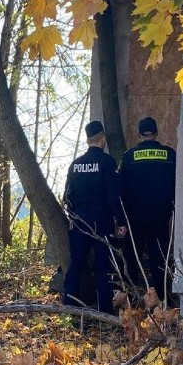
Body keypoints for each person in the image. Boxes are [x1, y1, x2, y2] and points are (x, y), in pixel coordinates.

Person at [63, 120, 123, 315]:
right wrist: (120, 221)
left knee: (77, 263)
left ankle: (69, 306)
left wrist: (72, 215)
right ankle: (104, 311)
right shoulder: (107, 162)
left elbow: (68, 195)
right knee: (102, 265)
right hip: (101, 220)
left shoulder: (75, 164)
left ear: (88, 139)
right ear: (103, 138)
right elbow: (113, 196)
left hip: (79, 220)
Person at [119, 117, 176, 303]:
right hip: (160, 217)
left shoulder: (129, 156)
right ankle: (160, 301)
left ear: (139, 134)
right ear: (157, 133)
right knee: (159, 261)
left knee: (132, 259)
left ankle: (128, 302)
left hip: (135, 218)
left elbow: (120, 188)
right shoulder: (169, 155)